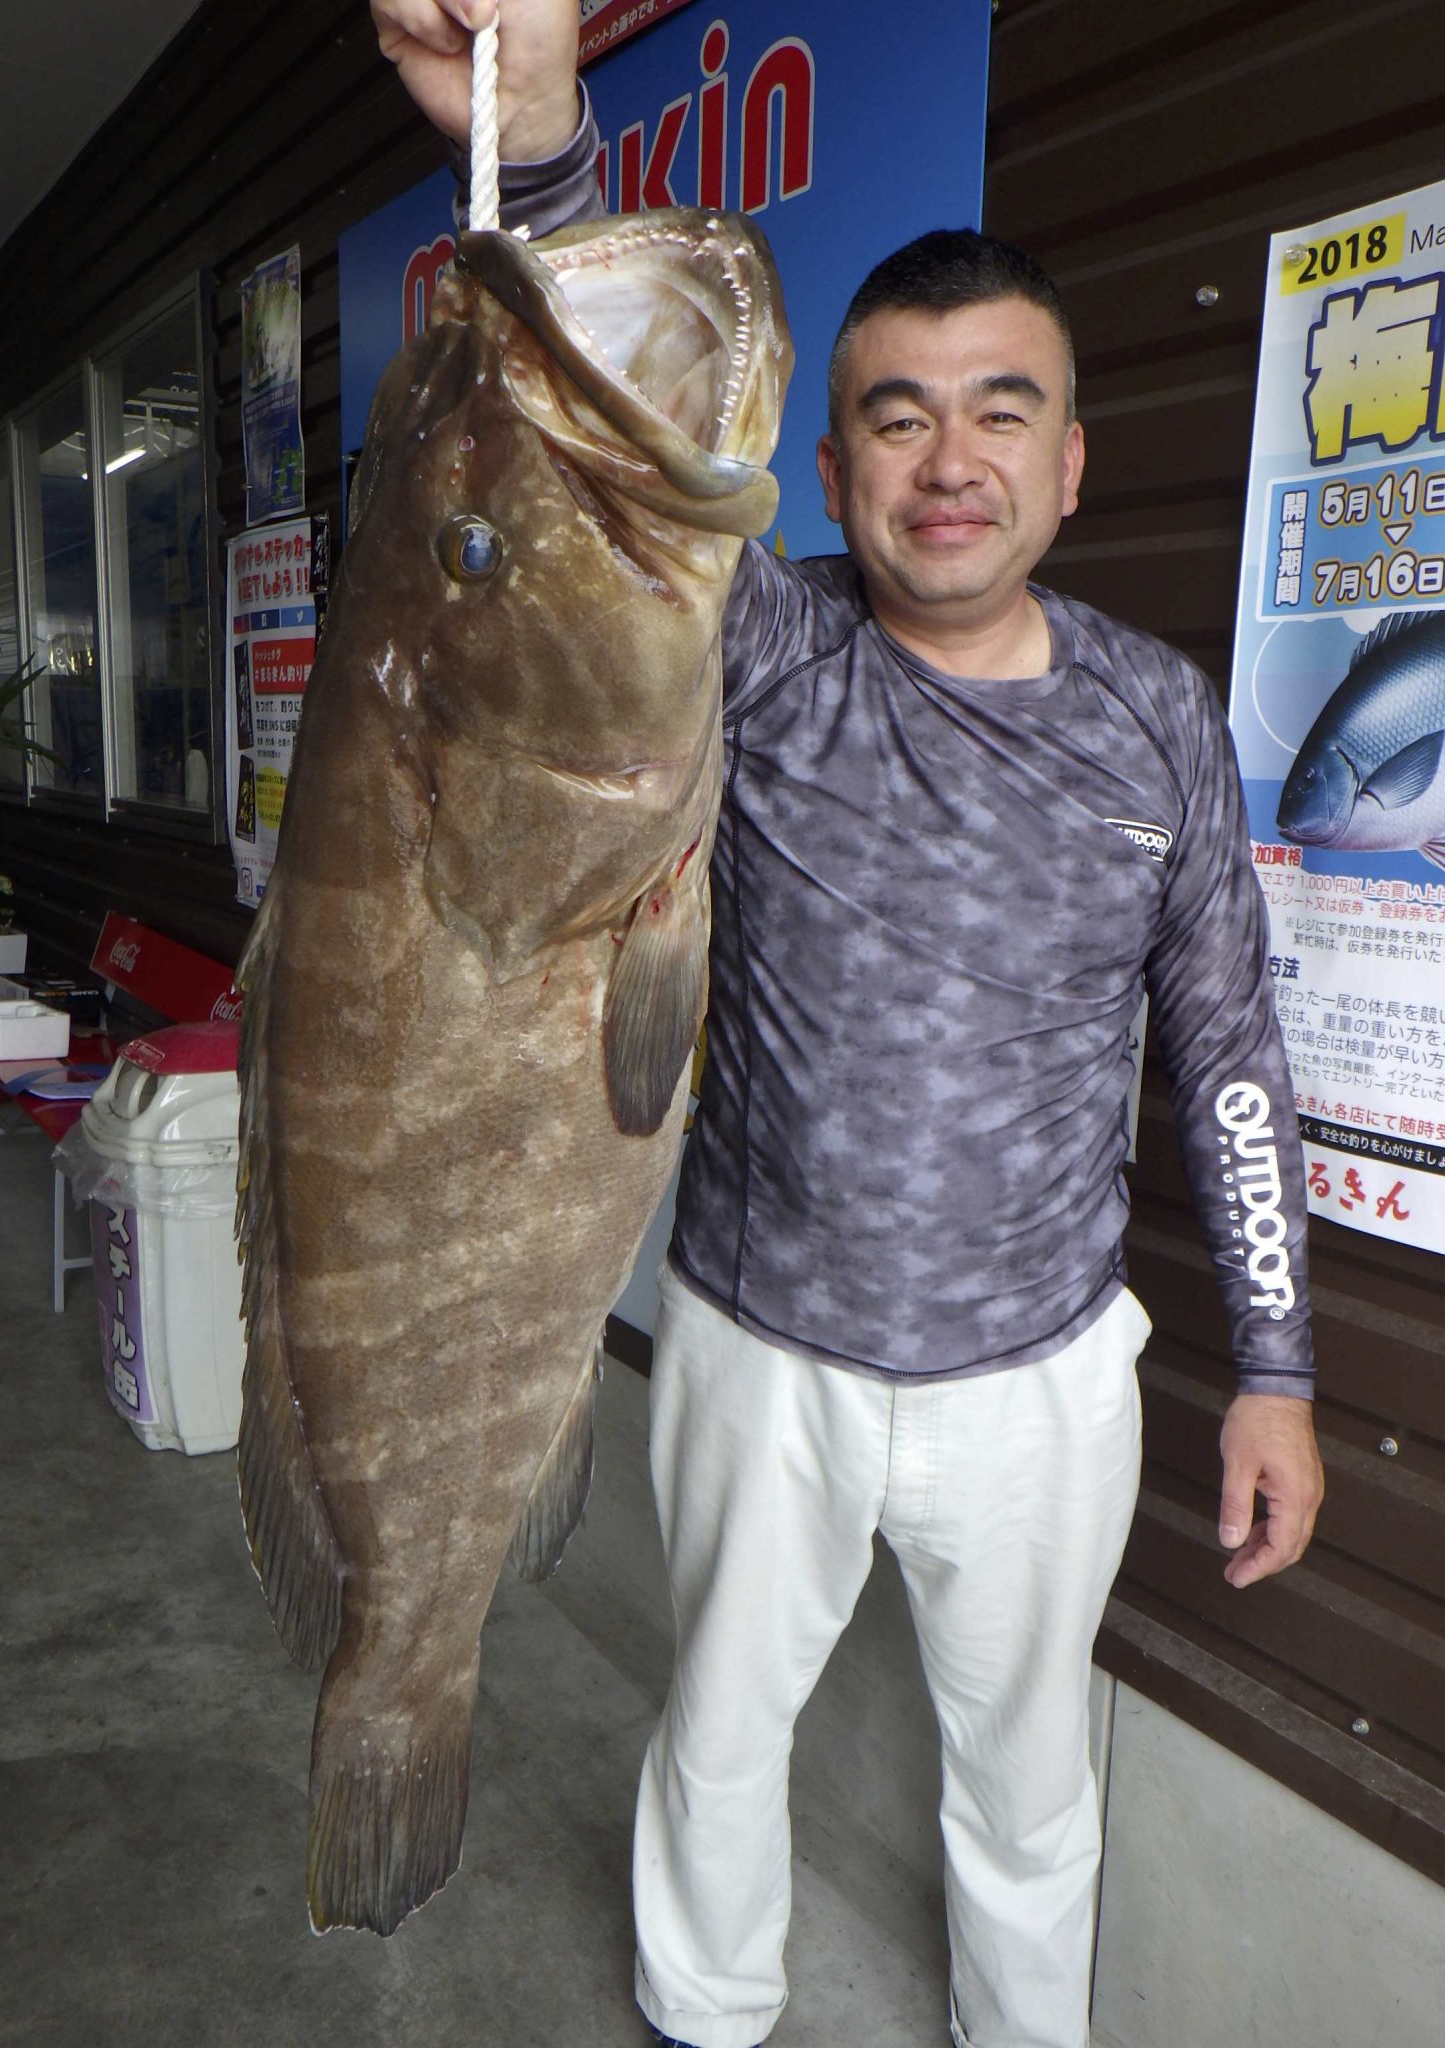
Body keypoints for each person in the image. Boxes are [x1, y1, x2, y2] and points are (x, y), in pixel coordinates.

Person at [370, 7, 1327, 2046]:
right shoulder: (777, 644)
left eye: (999, 411)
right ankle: (703, 2016)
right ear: (830, 468)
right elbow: (611, 418)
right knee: (718, 1744)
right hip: (754, 1342)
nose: (949, 459)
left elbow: (1230, 1054)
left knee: (1030, 1788)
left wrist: (1276, 1368)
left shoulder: (1159, 714)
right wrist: (536, 141)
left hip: (1041, 1378)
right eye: (897, 418)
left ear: (1072, 460)